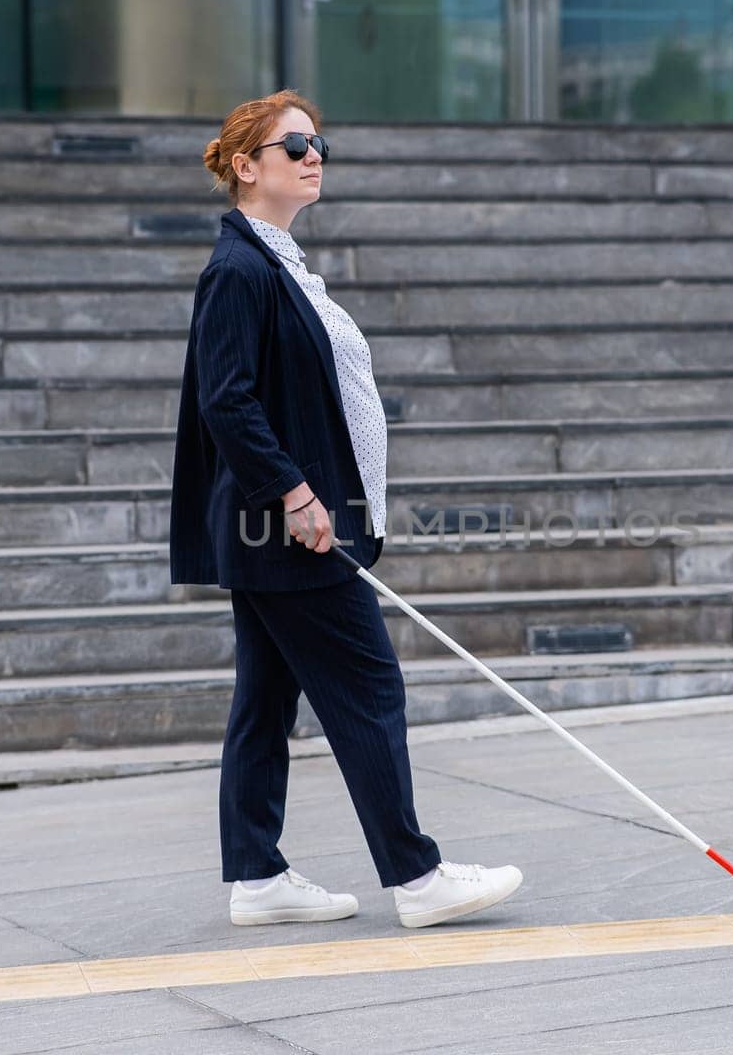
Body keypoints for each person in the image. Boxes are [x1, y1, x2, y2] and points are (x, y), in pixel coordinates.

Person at [171, 89, 523, 929]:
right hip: (285, 527)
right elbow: (226, 403)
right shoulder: (238, 270)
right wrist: (295, 493)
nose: (314, 154)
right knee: (369, 683)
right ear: (248, 167)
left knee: (264, 697)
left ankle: (256, 875)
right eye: (294, 146)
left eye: (319, 141)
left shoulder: (277, 263)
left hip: (281, 526)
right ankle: (417, 876)